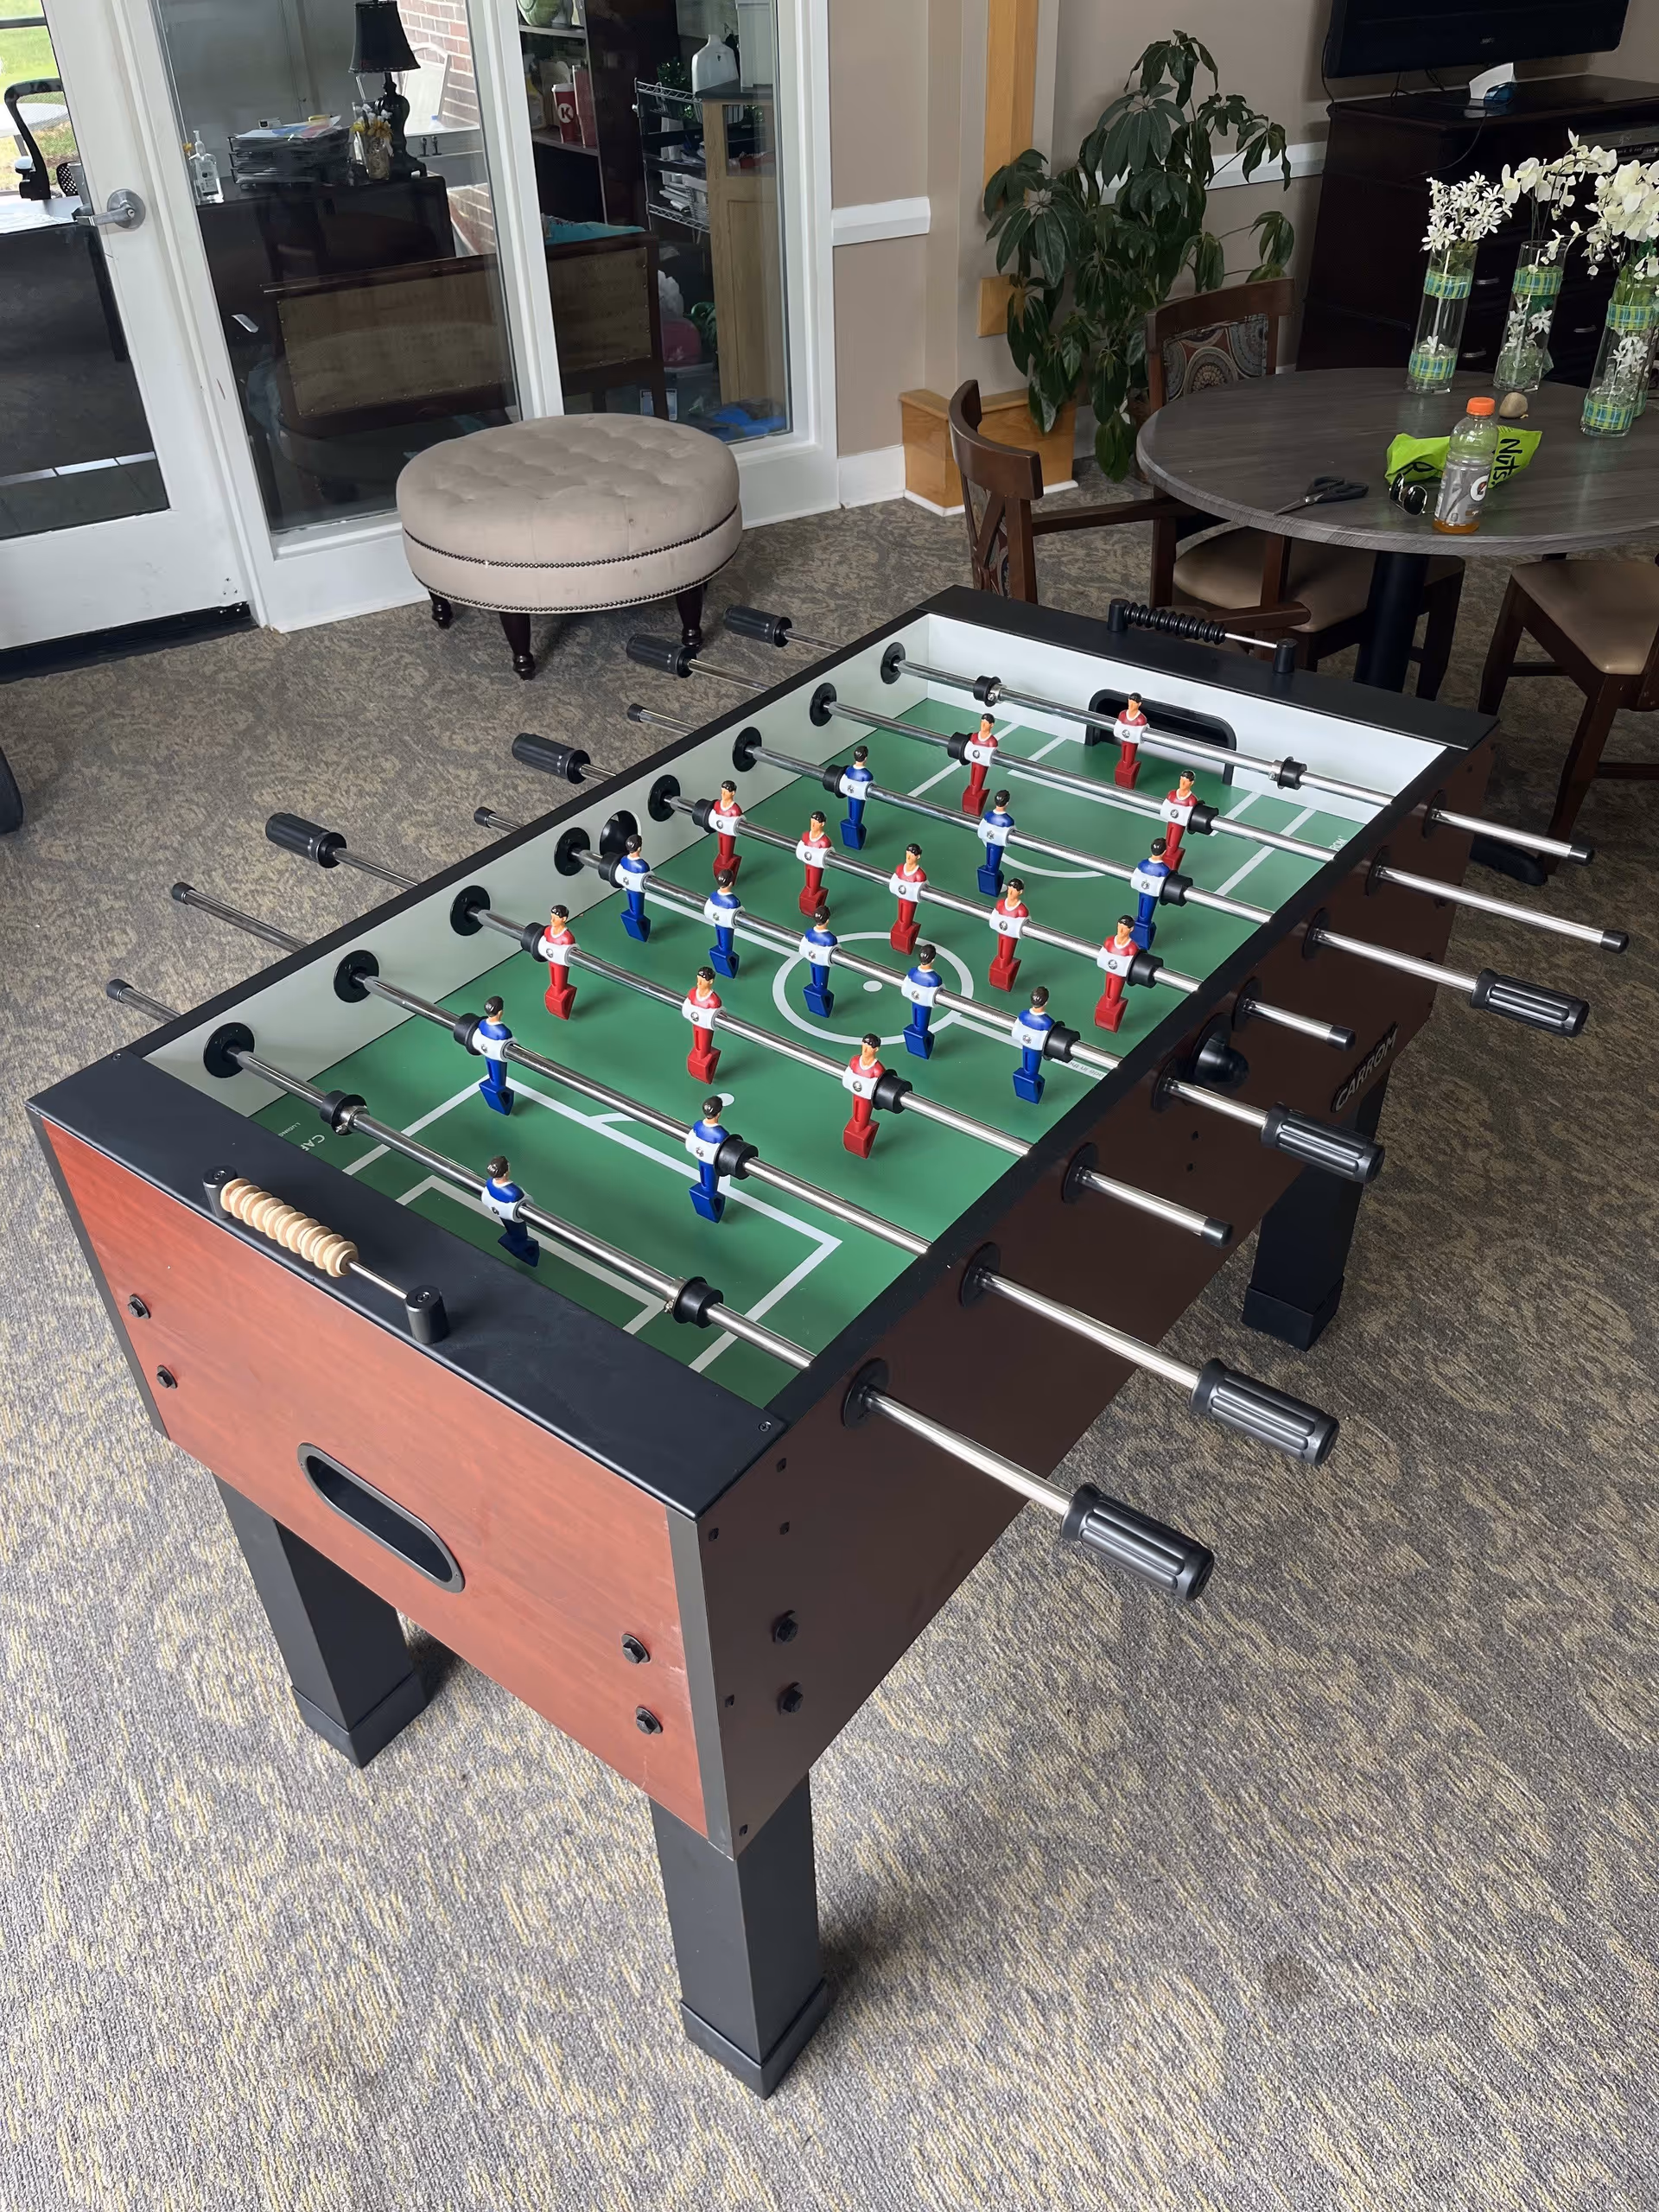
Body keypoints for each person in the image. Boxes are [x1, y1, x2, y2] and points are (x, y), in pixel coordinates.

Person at [481, 1156, 538, 1265]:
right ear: (505, 1173)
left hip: (501, 1211)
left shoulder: (490, 1183)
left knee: (510, 1228)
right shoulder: (514, 1193)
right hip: (511, 1213)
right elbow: (528, 1200)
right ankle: (523, 1251)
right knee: (520, 1234)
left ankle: (515, 1242)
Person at [474, 996, 514, 1115]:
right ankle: (500, 1096)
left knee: (494, 1076)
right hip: (498, 1056)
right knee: (499, 1078)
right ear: (500, 1012)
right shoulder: (503, 1031)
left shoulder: (482, 1024)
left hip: (487, 1053)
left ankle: (495, 1089)